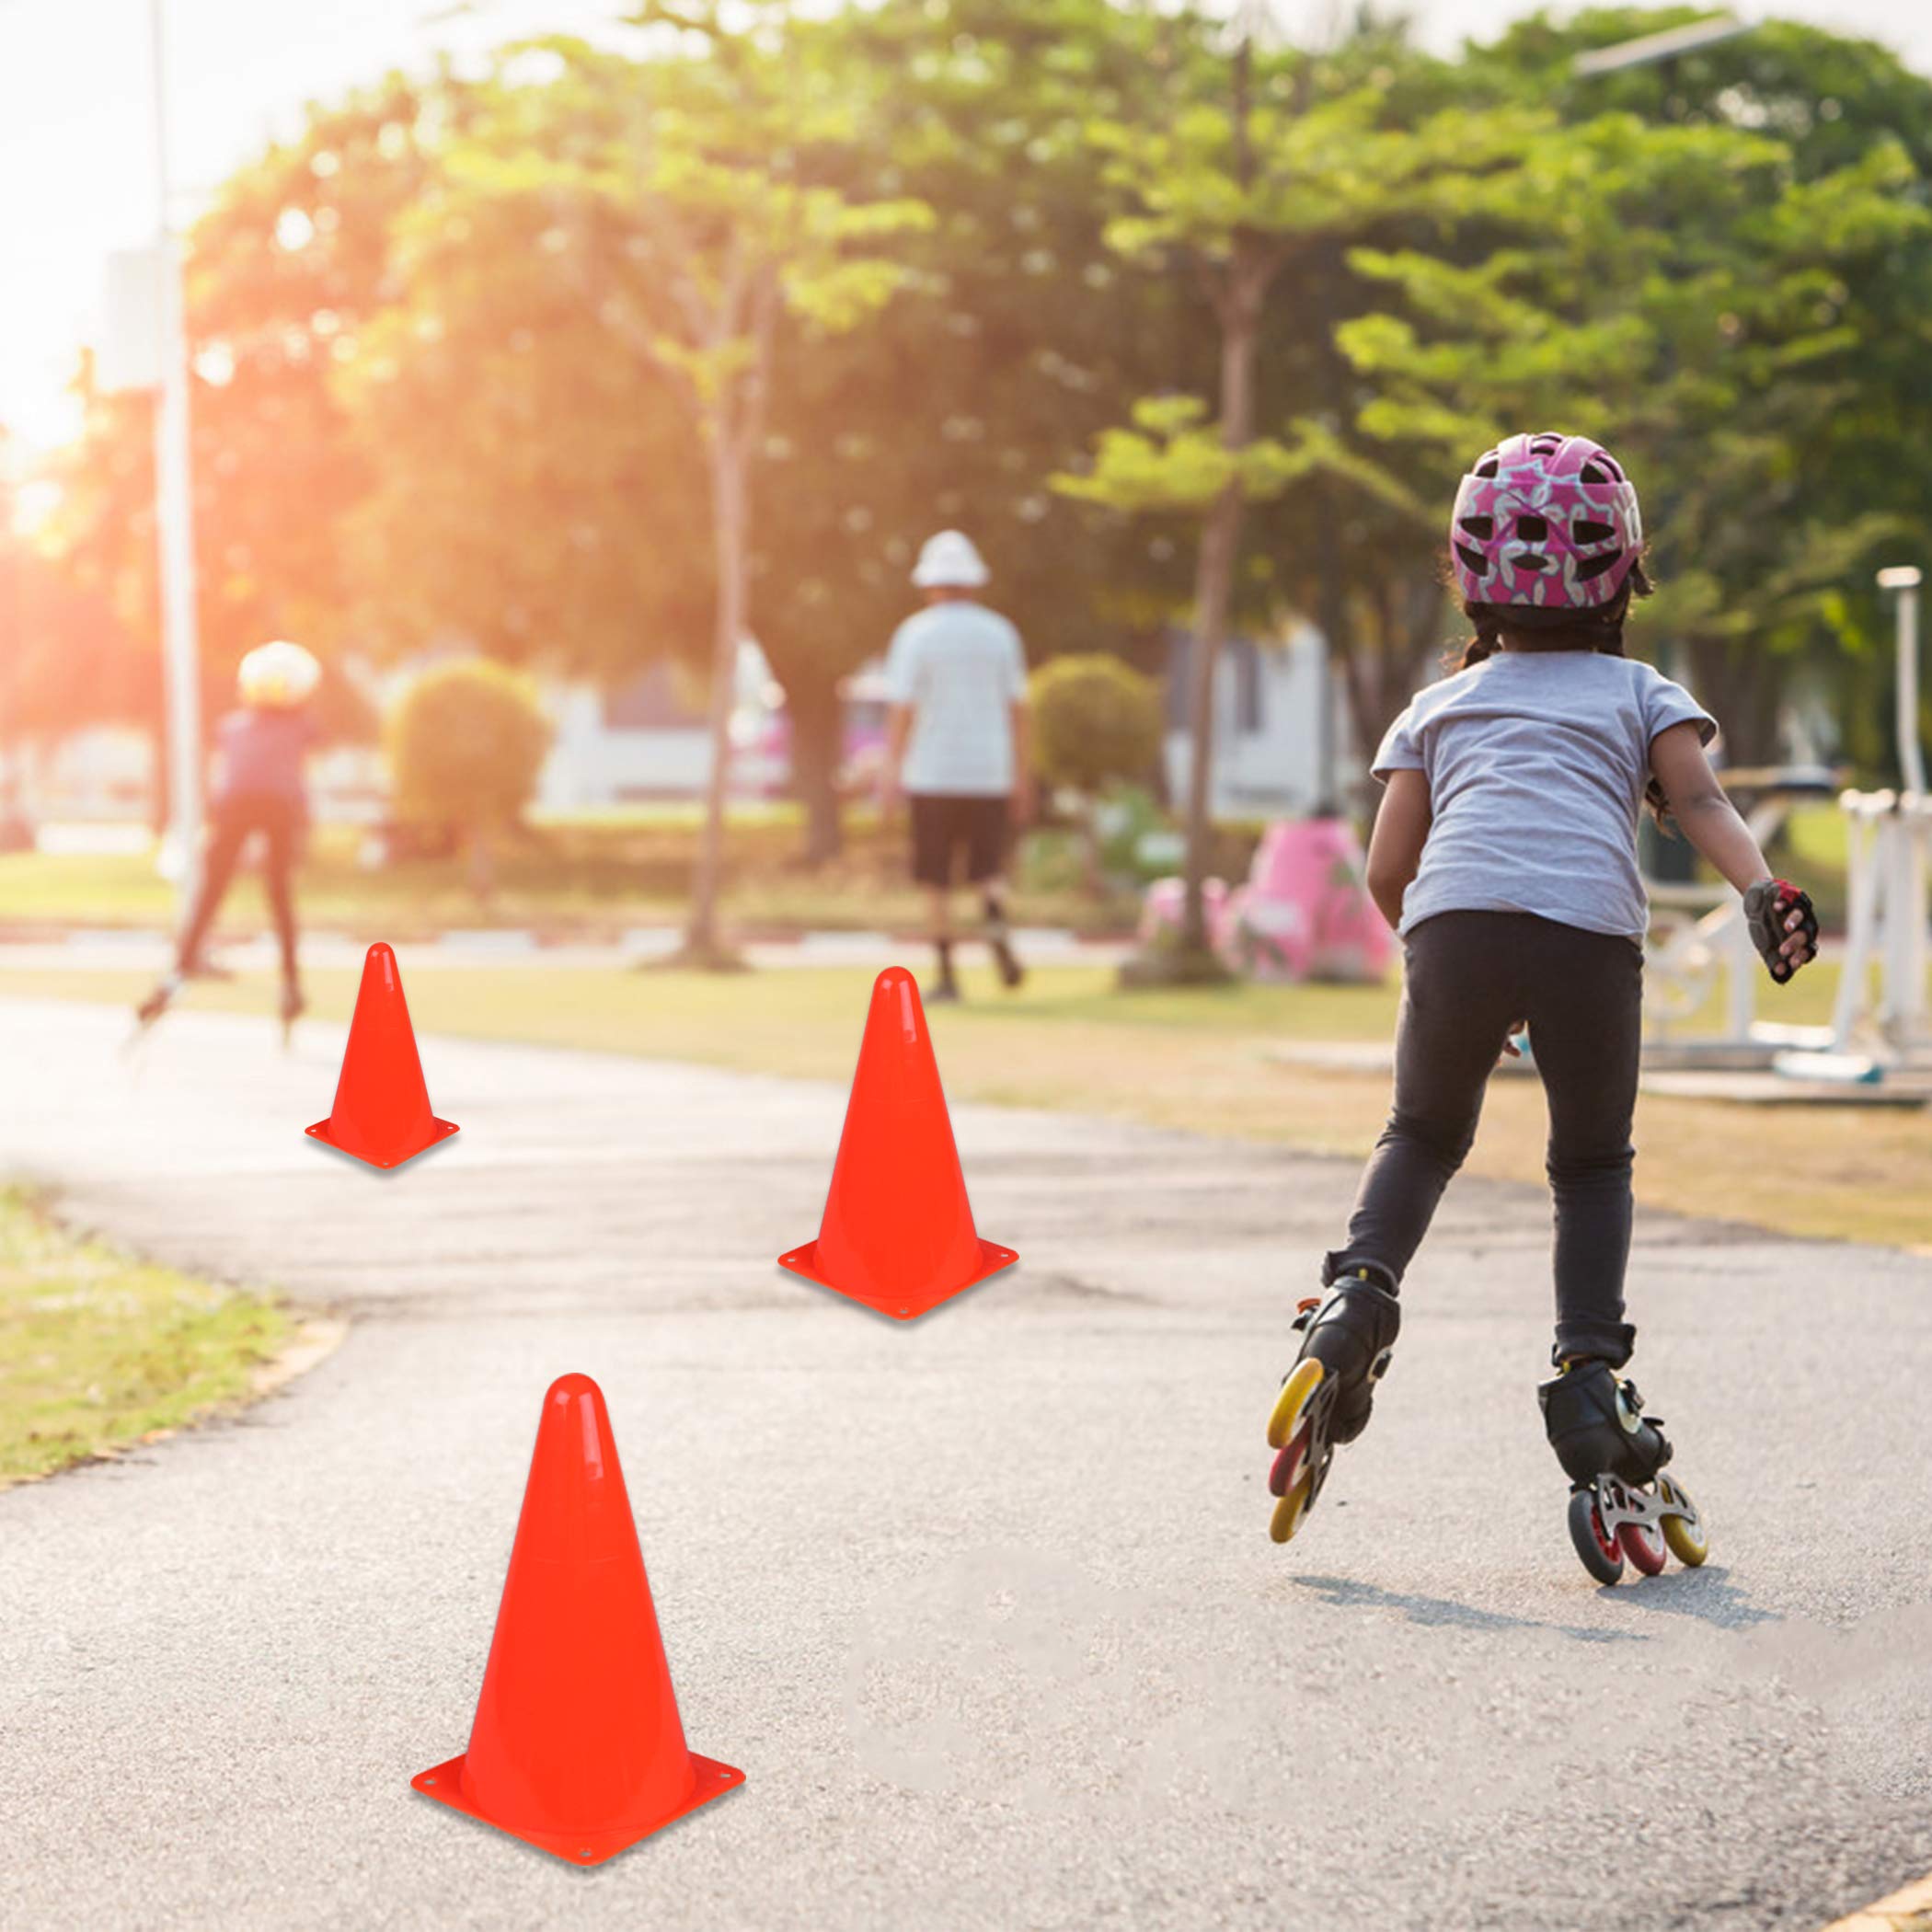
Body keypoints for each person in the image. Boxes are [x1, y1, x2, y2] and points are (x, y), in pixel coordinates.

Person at [1263, 431, 1819, 1573]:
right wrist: (1764, 892)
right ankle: (1585, 1378)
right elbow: (1700, 800)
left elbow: (1386, 872)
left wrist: (1443, 964)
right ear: (1625, 570)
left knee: (1420, 1133)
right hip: (1587, 939)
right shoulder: (1639, 690)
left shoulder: (1440, 703)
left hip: (1453, 924)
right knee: (1591, 1166)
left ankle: (1353, 1303)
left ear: (1469, 574)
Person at [136, 638, 321, 1039]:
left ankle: (183, 963)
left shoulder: (233, 726)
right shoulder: (300, 725)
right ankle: (290, 980)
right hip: (276, 806)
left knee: (213, 888)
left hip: (235, 806)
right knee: (279, 893)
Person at [881, 530, 1032, 1002]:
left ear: (929, 585)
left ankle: (947, 975)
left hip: (933, 772)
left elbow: (902, 709)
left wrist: (891, 769)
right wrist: (1022, 775)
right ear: (974, 583)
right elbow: (1018, 710)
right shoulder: (1000, 633)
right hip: (989, 771)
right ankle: (993, 921)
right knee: (988, 870)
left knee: (936, 879)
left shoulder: (916, 634)